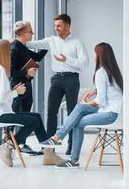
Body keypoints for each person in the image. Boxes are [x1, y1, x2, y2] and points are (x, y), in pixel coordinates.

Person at [40, 42, 123, 168]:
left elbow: (100, 101)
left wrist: (87, 103)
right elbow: (112, 91)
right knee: (78, 115)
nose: (94, 55)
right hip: (115, 113)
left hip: (109, 115)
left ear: (100, 55)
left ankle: (61, 142)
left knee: (79, 111)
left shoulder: (101, 73)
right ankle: (65, 149)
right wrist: (95, 91)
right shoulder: (113, 72)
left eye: (95, 53)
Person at [26, 14, 89, 155]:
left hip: (72, 79)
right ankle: (49, 148)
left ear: (67, 26)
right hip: (56, 79)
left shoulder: (77, 42)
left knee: (73, 114)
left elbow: (85, 63)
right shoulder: (51, 40)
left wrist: (67, 60)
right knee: (51, 112)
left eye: (59, 26)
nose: (56, 29)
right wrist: (19, 41)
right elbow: (34, 44)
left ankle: (71, 146)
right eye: (55, 26)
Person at [0, 39, 48, 167]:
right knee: (34, 121)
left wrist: (13, 90)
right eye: (9, 50)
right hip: (0, 115)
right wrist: (16, 92)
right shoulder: (0, 70)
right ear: (4, 53)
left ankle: (48, 152)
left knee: (36, 117)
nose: (11, 53)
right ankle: (7, 146)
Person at [10, 21, 48, 155]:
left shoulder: (23, 47)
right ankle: (11, 145)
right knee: (19, 116)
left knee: (26, 114)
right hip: (18, 87)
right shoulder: (14, 48)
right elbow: (10, 72)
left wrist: (48, 46)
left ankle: (21, 144)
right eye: (30, 31)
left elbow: (37, 57)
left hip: (26, 85)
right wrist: (26, 72)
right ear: (22, 33)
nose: (32, 33)